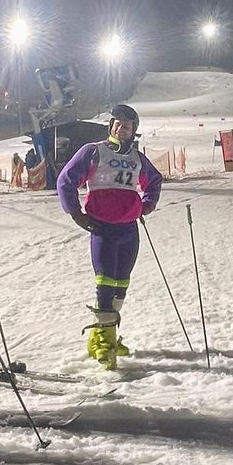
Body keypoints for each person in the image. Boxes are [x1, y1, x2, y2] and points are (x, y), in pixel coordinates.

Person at [56, 104, 163, 369]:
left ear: (133, 130)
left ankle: (106, 335)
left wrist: (146, 205)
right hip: (102, 228)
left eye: (127, 125)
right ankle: (104, 342)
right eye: (117, 123)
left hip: (129, 229)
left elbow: (155, 180)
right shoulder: (94, 151)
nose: (121, 127)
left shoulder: (138, 157)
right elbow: (66, 180)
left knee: (120, 286)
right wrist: (76, 213)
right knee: (104, 283)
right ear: (111, 126)